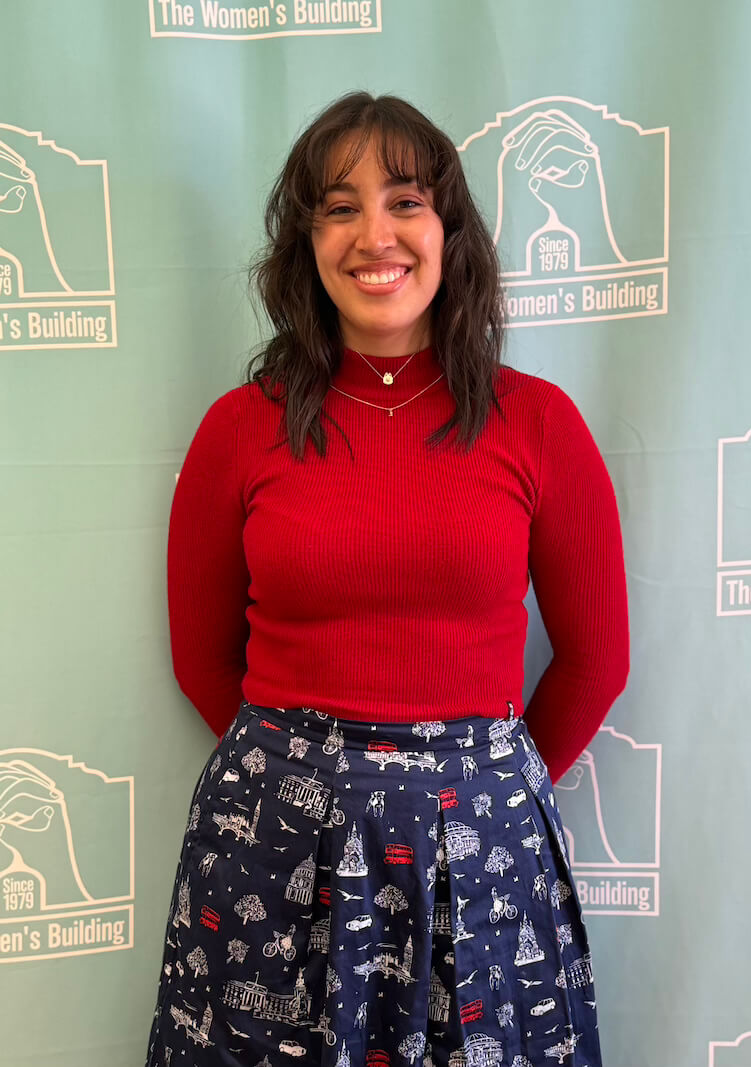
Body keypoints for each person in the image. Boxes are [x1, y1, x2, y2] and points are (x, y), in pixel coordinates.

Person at [144, 91, 629, 1067]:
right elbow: (203, 660)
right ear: (307, 243)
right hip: (276, 849)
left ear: (449, 231)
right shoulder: (239, 429)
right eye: (339, 207)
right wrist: (307, 777)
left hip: (483, 851)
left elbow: (595, 660)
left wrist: (477, 784)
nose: (375, 235)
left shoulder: (537, 424)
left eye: (405, 201)